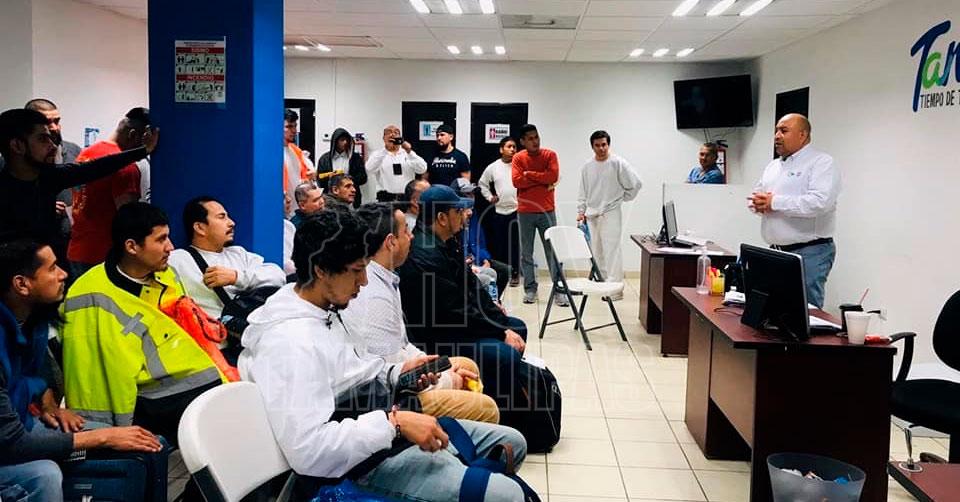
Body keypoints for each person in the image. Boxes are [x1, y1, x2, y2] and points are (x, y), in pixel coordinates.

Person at [239, 210, 527, 501]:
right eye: (356, 270)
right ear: (321, 270)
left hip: (378, 427)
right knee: (509, 494)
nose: (364, 281)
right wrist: (394, 425)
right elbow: (309, 451)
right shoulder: (290, 344)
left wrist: (399, 373)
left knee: (513, 442)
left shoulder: (327, 310)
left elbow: (356, 371)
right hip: (354, 467)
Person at [0, 238, 163, 502]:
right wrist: (103, 437)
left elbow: (30, 374)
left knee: (148, 444)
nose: (63, 274)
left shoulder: (32, 320)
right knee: (44, 475)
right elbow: (10, 442)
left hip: (22, 425)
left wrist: (49, 404)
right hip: (10, 442)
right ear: (21, 284)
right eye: (52, 268)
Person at [59, 202, 225, 443]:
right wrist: (115, 432)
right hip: (148, 400)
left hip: (190, 380)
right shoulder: (89, 294)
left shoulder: (166, 274)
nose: (171, 247)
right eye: (161, 239)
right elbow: (104, 375)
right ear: (132, 247)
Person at [343, 203, 499, 423]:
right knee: (486, 408)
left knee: (465, 365)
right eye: (406, 231)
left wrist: (436, 367)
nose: (411, 236)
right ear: (391, 242)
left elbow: (403, 346)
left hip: (400, 373)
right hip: (392, 399)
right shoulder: (373, 294)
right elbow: (392, 375)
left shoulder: (385, 276)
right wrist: (447, 379)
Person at [0, 108, 158, 265]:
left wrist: (143, 151)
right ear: (17, 146)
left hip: (53, 264)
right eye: (42, 139)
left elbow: (95, 168)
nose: (52, 146)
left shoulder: (48, 177)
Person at [748, 113, 841, 308]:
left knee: (805, 311)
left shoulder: (821, 162)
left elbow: (820, 202)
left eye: (784, 131)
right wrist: (757, 204)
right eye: (776, 131)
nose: (777, 136)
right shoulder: (773, 166)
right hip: (776, 252)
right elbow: (757, 195)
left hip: (810, 252)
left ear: (802, 135)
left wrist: (774, 203)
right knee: (776, 311)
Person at [168, 196, 286, 320]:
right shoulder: (178, 260)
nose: (231, 223)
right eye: (221, 217)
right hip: (207, 330)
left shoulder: (239, 254)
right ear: (200, 228)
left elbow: (278, 276)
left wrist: (236, 277)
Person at [68, 107, 149, 276]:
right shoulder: (126, 168)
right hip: (104, 255)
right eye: (145, 142)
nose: (144, 151)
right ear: (133, 134)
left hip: (77, 249)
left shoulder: (87, 154)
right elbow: (128, 216)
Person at [0, 100, 81, 253]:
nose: (54, 127)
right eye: (48, 122)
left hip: (70, 240)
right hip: (32, 247)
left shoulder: (73, 151)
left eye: (57, 121)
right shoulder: (8, 163)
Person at [576, 130, 642, 293]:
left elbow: (636, 184)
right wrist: (581, 211)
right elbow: (583, 192)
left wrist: (622, 199)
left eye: (604, 145)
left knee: (612, 250)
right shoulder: (587, 166)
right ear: (592, 147)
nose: (601, 148)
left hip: (611, 213)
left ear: (608, 144)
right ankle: (602, 284)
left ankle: (615, 288)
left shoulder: (618, 163)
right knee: (596, 251)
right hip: (592, 214)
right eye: (597, 145)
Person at [511, 124, 566, 306]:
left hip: (547, 210)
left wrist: (529, 174)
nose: (535, 141)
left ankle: (559, 290)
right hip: (525, 211)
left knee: (553, 251)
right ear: (523, 141)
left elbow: (552, 176)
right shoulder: (518, 158)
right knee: (526, 253)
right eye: (530, 138)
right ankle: (530, 289)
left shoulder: (550, 155)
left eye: (536, 137)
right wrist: (541, 178)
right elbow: (517, 181)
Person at [451, 178, 510, 299]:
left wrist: (484, 259)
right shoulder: (453, 218)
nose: (471, 197)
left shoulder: (473, 214)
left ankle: (493, 302)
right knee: (487, 278)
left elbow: (479, 242)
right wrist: (472, 264)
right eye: (467, 194)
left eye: (472, 194)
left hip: (475, 256)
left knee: (504, 271)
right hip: (463, 262)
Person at [479, 136, 521, 287]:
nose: (512, 149)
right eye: (509, 146)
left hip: (516, 211)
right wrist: (490, 197)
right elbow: (482, 184)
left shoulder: (519, 166)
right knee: (499, 244)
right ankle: (501, 273)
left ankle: (515, 273)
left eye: (514, 147)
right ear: (501, 149)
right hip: (498, 211)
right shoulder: (493, 167)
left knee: (515, 245)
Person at [366, 125, 428, 202]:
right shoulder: (378, 154)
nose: (392, 134)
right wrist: (386, 150)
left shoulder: (408, 153)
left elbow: (422, 169)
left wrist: (409, 151)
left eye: (396, 132)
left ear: (400, 137)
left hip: (406, 197)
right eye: (388, 132)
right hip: (385, 198)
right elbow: (369, 168)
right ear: (384, 138)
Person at [316, 128, 367, 208]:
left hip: (351, 199)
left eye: (347, 140)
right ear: (335, 141)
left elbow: (363, 178)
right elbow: (320, 182)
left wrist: (347, 180)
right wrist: (330, 178)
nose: (345, 142)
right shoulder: (324, 159)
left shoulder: (355, 158)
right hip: (330, 199)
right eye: (342, 140)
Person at [283, 109, 316, 216]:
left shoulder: (296, 151)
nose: (294, 130)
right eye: (289, 126)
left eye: (295, 126)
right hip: (282, 211)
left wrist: (312, 175)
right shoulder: (271, 154)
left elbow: (308, 175)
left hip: (299, 210)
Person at [426, 124, 470, 188]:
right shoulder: (431, 156)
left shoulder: (461, 157)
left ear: (451, 137)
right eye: (437, 135)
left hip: (453, 193)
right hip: (435, 192)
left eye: (442, 135)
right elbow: (424, 180)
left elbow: (465, 182)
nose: (439, 138)